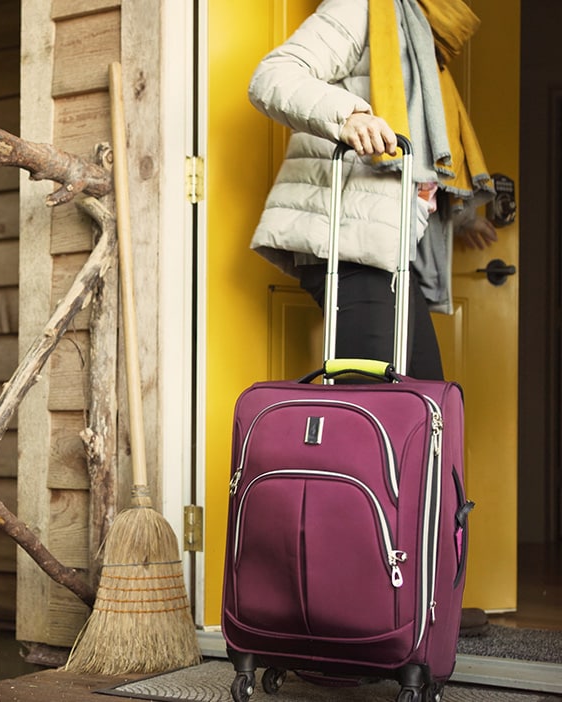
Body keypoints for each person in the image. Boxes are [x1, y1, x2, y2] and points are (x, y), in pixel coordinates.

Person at [246, 0, 493, 633]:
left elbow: (422, 155)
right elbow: (274, 75)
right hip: (348, 247)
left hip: (383, 248)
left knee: (424, 421)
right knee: (375, 428)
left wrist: (455, 219)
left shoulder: (429, 37)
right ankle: (356, 605)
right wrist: (349, 113)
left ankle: (420, 597)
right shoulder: (366, 6)